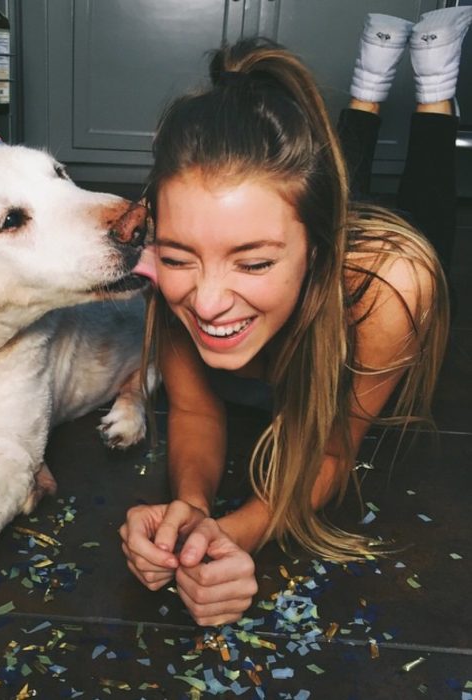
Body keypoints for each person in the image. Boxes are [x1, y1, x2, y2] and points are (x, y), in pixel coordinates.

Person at [119, 6, 471, 627]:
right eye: (179, 256)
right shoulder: (169, 268)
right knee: (328, 177)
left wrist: (243, 531)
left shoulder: (387, 286)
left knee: (429, 224)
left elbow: (333, 449)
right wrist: (195, 508)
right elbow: (198, 409)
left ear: (318, 251)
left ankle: (430, 84)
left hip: (375, 272)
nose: (205, 301)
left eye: (251, 264)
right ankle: (366, 88)